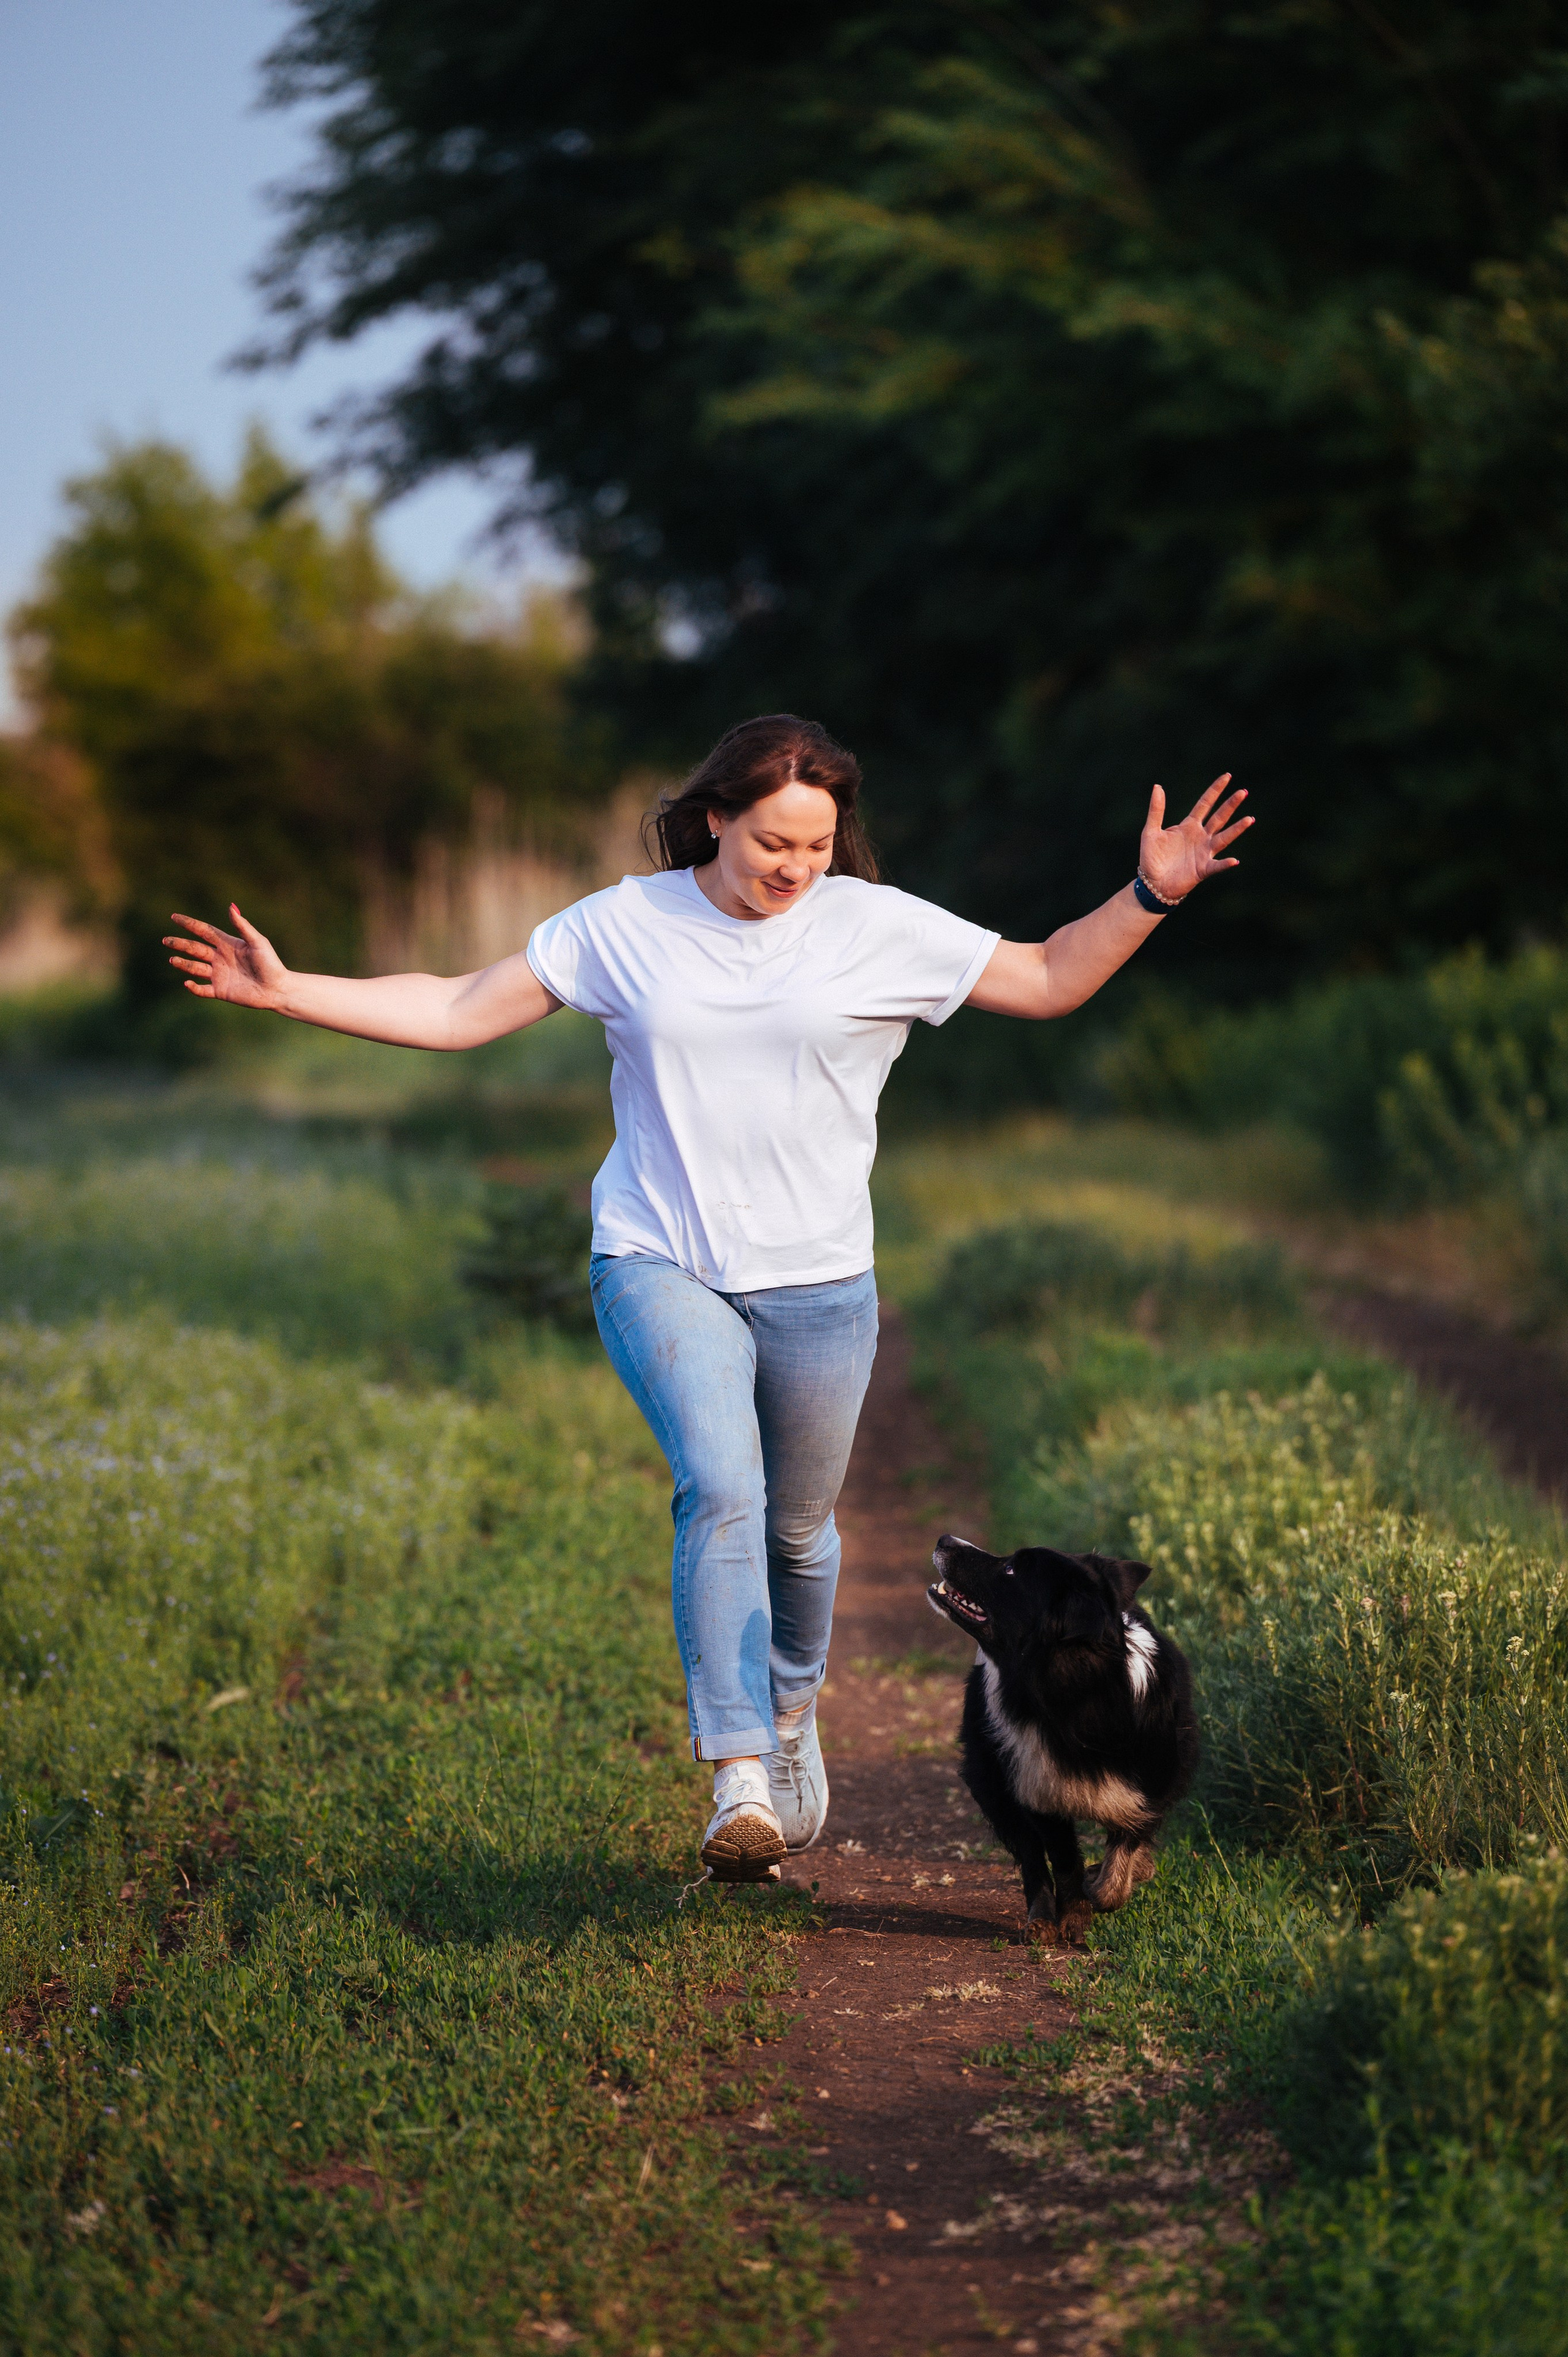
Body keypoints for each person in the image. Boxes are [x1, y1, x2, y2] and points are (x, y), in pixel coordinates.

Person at [164, 714, 1250, 1884]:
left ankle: (789, 1714)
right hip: (658, 1260)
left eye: (818, 846)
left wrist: (1149, 892)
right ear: (717, 814)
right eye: (773, 840)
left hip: (823, 1279)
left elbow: (1045, 980)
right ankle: (737, 1772)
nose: (794, 866)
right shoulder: (625, 926)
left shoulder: (877, 929)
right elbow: (456, 1007)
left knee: (801, 1531)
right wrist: (289, 995)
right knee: (722, 1488)